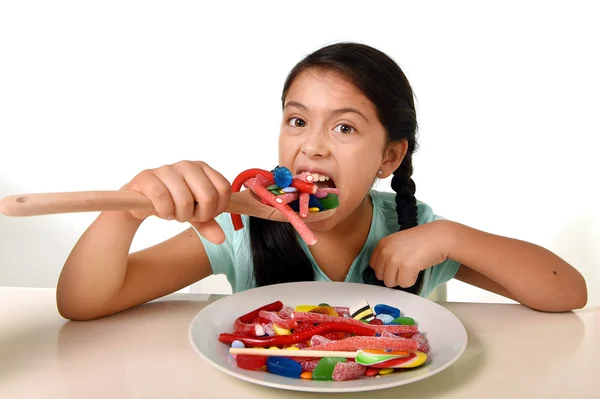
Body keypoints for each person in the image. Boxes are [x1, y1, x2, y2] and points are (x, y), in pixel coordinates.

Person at [56, 42, 587, 320]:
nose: (312, 144)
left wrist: (455, 238)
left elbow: (568, 293)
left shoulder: (415, 231)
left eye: (345, 127)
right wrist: (126, 210)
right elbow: (83, 303)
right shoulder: (240, 224)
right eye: (297, 120)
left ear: (390, 156)